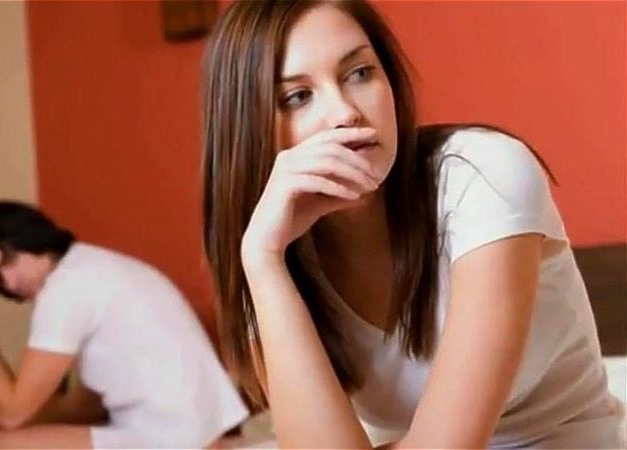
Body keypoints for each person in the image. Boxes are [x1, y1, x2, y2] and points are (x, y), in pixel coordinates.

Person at [201, 1, 625, 448]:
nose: (345, 113)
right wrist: (262, 260)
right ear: (249, 129)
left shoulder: (483, 175)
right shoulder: (273, 257)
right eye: (297, 97)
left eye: (359, 73)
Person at [0, 200, 248, 449]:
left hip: (171, 439)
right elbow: (80, 408)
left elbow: (12, 414)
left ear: (14, 248)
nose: (9, 288)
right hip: (197, 434)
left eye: (1, 273)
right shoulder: (93, 268)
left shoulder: (65, 289)